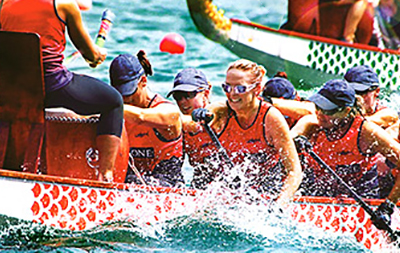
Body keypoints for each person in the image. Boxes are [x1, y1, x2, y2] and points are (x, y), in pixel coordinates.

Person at [0, 0, 121, 181]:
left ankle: (4, 171)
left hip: (13, 95)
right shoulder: (63, 1)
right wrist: (97, 56)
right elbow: (90, 55)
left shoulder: (0, 4)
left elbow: (15, 53)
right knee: (113, 101)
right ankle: (106, 176)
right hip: (52, 89)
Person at [291, 79, 400, 213]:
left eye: (328, 111)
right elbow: (286, 143)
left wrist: (388, 206)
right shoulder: (311, 124)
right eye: (318, 107)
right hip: (319, 190)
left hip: (361, 196)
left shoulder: (366, 132)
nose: (320, 115)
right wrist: (296, 141)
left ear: (346, 111)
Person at [194, 59, 303, 204]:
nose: (232, 94)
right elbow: (190, 121)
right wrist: (198, 115)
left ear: (257, 89)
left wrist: (279, 205)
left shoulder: (271, 118)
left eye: (240, 89)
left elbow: (295, 172)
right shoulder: (220, 110)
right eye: (227, 87)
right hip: (228, 190)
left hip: (265, 194)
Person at [110, 52, 183, 187]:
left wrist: (104, 106)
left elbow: (141, 117)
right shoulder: (119, 109)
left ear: (143, 81)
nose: (125, 99)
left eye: (129, 92)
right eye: (119, 93)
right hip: (129, 181)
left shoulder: (169, 112)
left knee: (134, 181)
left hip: (168, 184)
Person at [169, 68, 218, 189]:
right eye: (178, 97)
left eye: (188, 95)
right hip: (200, 184)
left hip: (229, 183)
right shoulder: (180, 127)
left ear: (206, 94)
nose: (183, 102)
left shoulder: (221, 117)